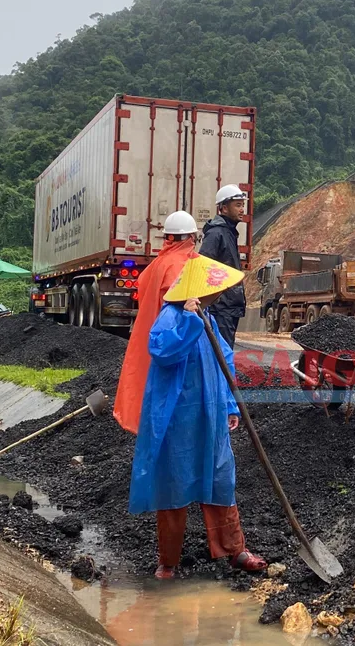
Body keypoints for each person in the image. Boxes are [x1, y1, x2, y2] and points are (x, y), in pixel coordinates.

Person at [128, 252, 267, 578]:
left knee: (220, 479)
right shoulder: (171, 317)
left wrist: (229, 404)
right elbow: (162, 351)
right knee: (174, 484)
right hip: (178, 419)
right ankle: (168, 561)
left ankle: (235, 550)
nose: (218, 295)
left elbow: (224, 360)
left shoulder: (209, 319)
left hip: (210, 415)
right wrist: (190, 320)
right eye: (213, 291)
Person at [114, 211, 201, 434]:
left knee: (148, 386)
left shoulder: (157, 264)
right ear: (190, 237)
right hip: (174, 341)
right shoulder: (181, 266)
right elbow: (184, 307)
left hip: (153, 337)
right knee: (174, 400)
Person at [199, 185, 247, 348]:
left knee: (224, 351)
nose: (242, 209)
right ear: (224, 208)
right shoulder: (216, 233)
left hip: (228, 307)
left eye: (243, 205)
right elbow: (204, 267)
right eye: (238, 205)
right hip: (220, 307)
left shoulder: (229, 232)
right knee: (221, 352)